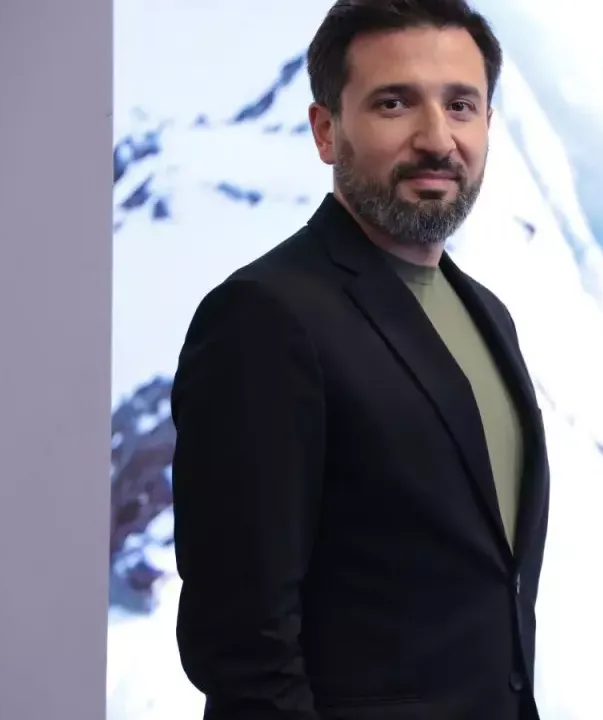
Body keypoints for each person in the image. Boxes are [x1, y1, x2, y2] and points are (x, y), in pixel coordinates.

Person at [169, 0, 549, 718]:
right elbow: (242, 641)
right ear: (325, 130)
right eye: (394, 103)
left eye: (461, 105)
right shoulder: (264, 318)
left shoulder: (487, 314)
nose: (437, 139)